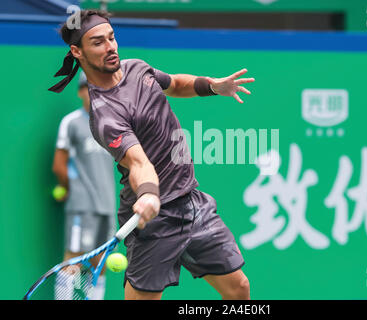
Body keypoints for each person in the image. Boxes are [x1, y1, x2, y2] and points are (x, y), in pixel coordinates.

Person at [50, 9, 254, 300]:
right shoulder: (105, 115)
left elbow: (176, 84)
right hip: (152, 220)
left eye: (112, 38)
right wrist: (147, 193)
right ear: (77, 51)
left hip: (193, 202)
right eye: (98, 42)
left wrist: (212, 86)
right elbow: (138, 162)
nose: (110, 47)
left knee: (239, 289)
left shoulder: (137, 68)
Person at [52, 71, 117, 300]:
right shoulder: (71, 123)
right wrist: (71, 189)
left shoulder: (112, 125)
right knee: (74, 257)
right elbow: (59, 166)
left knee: (101, 261)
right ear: (81, 92)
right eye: (90, 88)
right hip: (81, 204)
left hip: (107, 205)